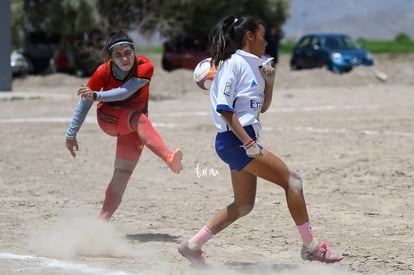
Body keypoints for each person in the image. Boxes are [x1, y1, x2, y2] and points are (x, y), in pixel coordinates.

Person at [177, 15, 342, 265]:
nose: (267, 41)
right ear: (249, 36)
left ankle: (192, 245)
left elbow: (262, 109)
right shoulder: (233, 63)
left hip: (240, 140)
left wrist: (270, 84)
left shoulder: (255, 65)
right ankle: (311, 247)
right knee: (294, 181)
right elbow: (225, 108)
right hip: (236, 140)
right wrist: (248, 143)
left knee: (244, 204)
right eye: (264, 36)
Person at [65, 30, 183, 221]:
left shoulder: (145, 66)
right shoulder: (102, 71)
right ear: (110, 58)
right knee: (140, 118)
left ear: (134, 51)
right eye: (118, 55)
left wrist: (96, 95)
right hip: (108, 118)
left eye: (128, 52)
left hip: (134, 125)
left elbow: (125, 92)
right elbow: (85, 101)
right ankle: (169, 157)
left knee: (123, 173)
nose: (125, 58)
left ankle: (99, 224)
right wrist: (71, 134)